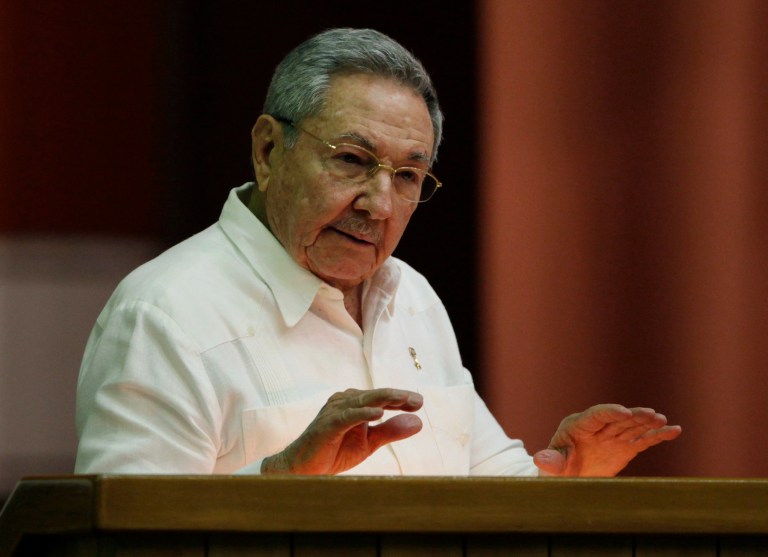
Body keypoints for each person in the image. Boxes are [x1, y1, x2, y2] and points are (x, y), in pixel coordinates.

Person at [75, 28, 680, 477]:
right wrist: (280, 481)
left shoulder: (411, 296)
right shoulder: (164, 314)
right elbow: (128, 534)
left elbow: (483, 480)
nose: (380, 205)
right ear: (268, 151)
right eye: (351, 160)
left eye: (409, 176)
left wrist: (565, 475)